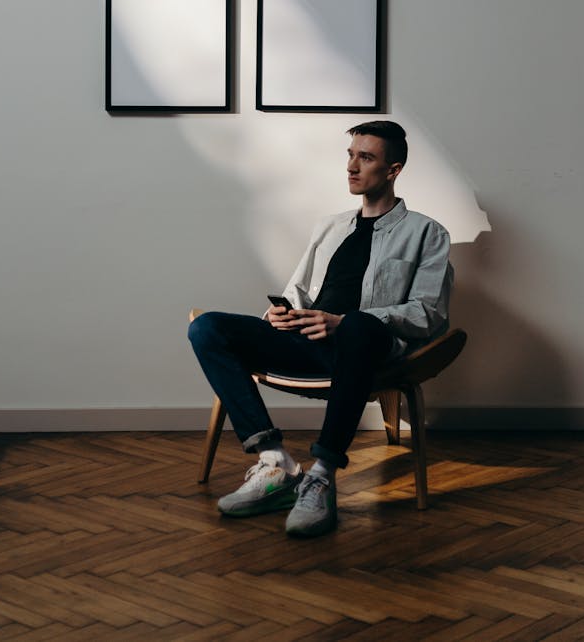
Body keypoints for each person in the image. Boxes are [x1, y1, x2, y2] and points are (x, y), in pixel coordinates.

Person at [188, 120, 453, 538]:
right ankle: (277, 464)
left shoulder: (426, 233)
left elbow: (429, 313)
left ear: (393, 169)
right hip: (307, 342)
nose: (352, 166)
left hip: (365, 350)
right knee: (207, 328)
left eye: (365, 158)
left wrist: (347, 322)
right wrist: (281, 315)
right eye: (350, 155)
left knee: (360, 326)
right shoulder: (330, 227)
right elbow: (298, 292)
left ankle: (323, 476)